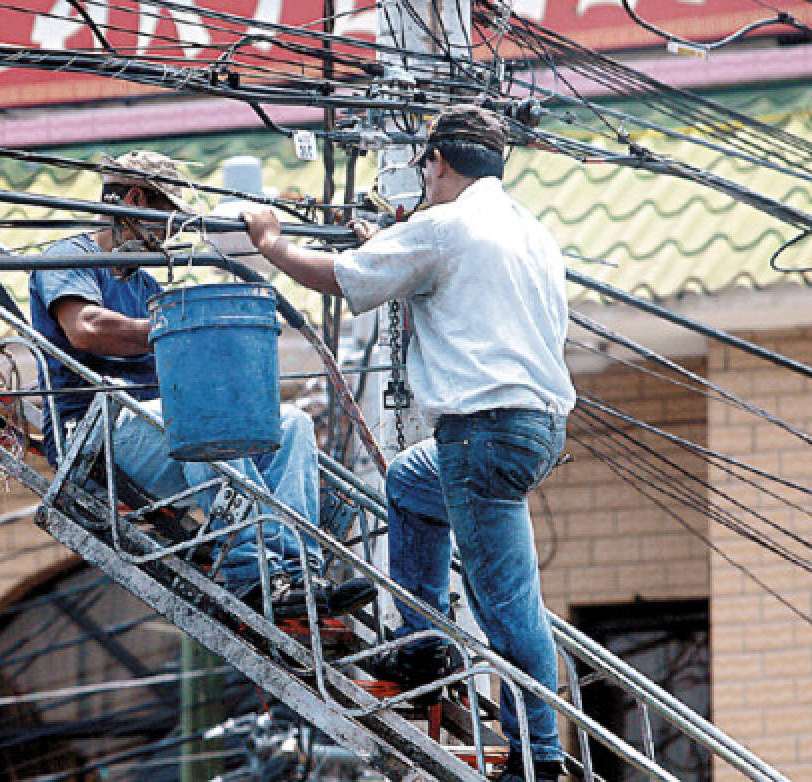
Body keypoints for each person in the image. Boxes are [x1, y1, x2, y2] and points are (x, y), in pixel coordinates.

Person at [241, 107, 574, 780]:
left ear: (439, 163)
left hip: (483, 433)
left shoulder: (444, 226)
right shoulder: (525, 230)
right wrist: (386, 242)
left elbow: (344, 277)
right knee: (408, 483)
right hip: (533, 428)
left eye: (425, 167)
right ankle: (421, 643)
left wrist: (274, 245)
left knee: (506, 607)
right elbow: (409, 262)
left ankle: (537, 757)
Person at [30, 149, 375, 620]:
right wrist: (180, 332)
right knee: (211, 428)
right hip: (93, 429)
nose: (169, 233)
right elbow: (85, 327)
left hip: (158, 428)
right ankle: (252, 574)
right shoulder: (70, 257)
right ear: (134, 200)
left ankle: (298, 571)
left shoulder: (148, 288)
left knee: (290, 424)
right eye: (166, 217)